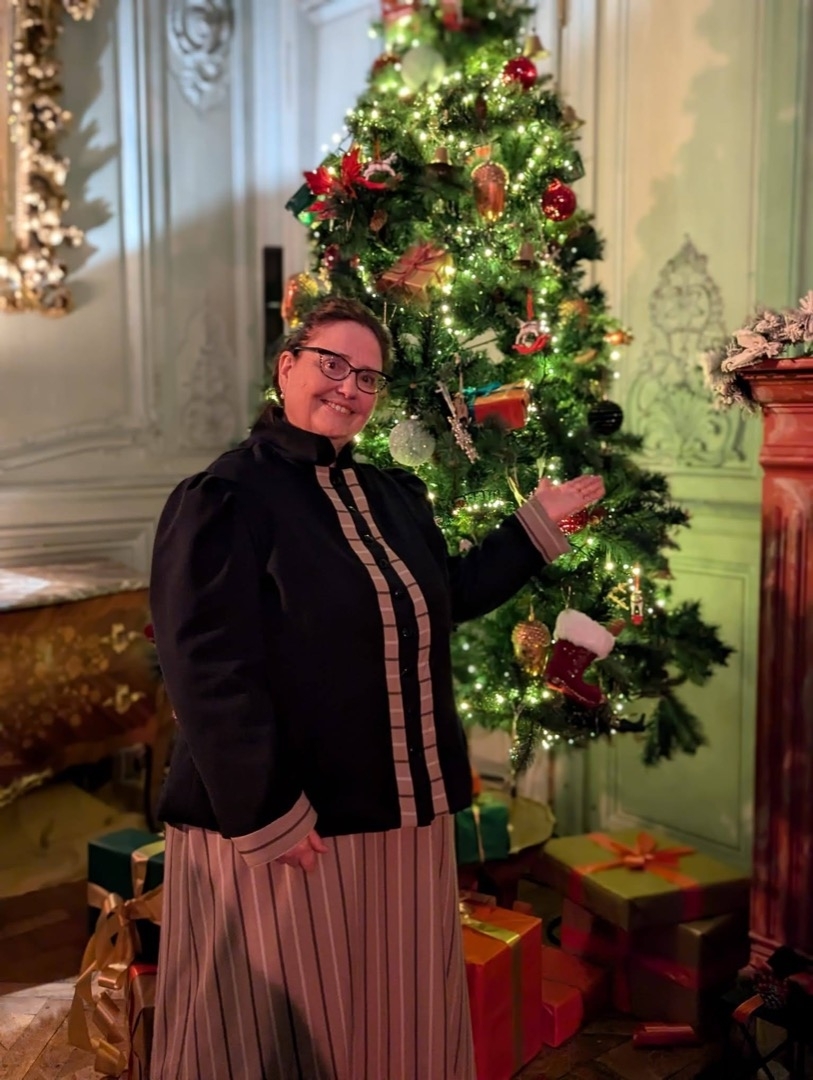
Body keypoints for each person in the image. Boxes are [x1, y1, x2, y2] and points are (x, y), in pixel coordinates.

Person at [149, 296, 604, 1080]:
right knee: (283, 1033)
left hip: (400, 817)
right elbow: (205, 666)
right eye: (331, 364)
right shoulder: (224, 496)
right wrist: (268, 811)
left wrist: (534, 524)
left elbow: (444, 594)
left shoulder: (394, 497)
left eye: (367, 376)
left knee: (393, 1017)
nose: (349, 387)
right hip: (289, 825)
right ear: (285, 366)